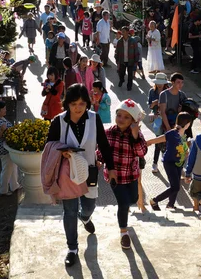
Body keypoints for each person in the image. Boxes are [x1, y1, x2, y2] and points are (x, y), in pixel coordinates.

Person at [45, 84, 116, 267]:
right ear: (67, 103)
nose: (78, 108)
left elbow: (104, 144)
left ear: (87, 104)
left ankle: (84, 218)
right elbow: (48, 147)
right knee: (69, 211)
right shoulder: (58, 121)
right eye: (74, 104)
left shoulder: (94, 119)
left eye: (82, 104)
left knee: (89, 206)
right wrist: (62, 151)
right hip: (67, 175)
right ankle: (72, 249)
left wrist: (112, 167)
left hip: (89, 172)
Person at [99, 99, 147, 250]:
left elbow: (142, 152)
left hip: (131, 174)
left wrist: (134, 135)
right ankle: (124, 233)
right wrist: (98, 160)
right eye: (119, 115)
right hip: (115, 176)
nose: (121, 119)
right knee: (123, 203)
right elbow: (101, 151)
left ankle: (124, 212)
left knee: (133, 199)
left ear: (133, 121)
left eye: (126, 117)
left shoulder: (136, 135)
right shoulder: (108, 133)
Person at [147, 112, 193, 210]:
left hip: (179, 162)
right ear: (187, 124)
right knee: (175, 187)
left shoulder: (184, 134)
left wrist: (186, 151)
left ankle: (170, 205)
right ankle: (154, 200)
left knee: (176, 185)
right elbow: (160, 139)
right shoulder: (172, 133)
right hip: (170, 162)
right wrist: (149, 142)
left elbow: (182, 146)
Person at [0, 101, 21, 196]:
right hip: (4, 149)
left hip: (6, 148)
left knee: (13, 166)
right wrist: (3, 130)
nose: (5, 110)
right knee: (7, 169)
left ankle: (14, 185)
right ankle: (3, 190)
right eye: (3, 109)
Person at [148, 73, 169, 173]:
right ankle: (154, 163)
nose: (160, 85)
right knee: (158, 141)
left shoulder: (169, 92)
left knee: (167, 140)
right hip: (157, 119)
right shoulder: (152, 91)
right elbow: (150, 106)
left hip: (168, 118)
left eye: (162, 83)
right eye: (158, 83)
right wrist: (155, 103)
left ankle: (164, 155)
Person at [115, 26, 140, 91]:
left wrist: (136, 61)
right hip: (122, 60)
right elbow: (117, 51)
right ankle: (121, 80)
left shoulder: (133, 41)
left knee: (130, 75)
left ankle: (129, 86)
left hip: (131, 61)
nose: (122, 33)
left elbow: (136, 51)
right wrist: (117, 60)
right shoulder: (119, 41)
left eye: (123, 31)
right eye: (121, 31)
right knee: (121, 73)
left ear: (127, 32)